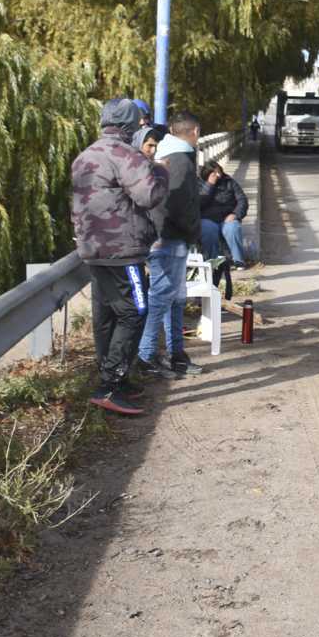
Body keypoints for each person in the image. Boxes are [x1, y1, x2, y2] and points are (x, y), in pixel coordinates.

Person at [71, 98, 167, 416]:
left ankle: (115, 380)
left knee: (107, 315)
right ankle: (110, 385)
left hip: (92, 249)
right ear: (130, 125)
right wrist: (160, 173)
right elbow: (148, 195)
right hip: (122, 251)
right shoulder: (125, 154)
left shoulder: (85, 155)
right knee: (135, 312)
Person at [138, 111, 204, 379]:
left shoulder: (170, 155)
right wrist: (192, 230)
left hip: (169, 238)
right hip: (169, 239)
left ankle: (176, 354)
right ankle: (146, 355)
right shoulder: (179, 161)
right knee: (162, 299)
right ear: (195, 131)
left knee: (175, 299)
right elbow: (174, 204)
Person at [200, 160, 250, 296]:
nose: (218, 175)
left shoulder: (230, 182)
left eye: (219, 171)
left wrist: (235, 214)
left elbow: (242, 200)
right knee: (207, 230)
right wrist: (210, 185)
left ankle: (238, 260)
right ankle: (213, 261)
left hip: (227, 216)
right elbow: (199, 203)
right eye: (214, 172)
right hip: (208, 218)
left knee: (232, 228)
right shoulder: (200, 183)